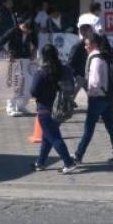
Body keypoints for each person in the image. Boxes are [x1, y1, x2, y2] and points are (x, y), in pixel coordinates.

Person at [73, 33, 113, 164]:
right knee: (110, 125)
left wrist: (90, 91)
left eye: (87, 44)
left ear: (94, 44)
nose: (85, 47)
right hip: (109, 96)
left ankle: (78, 155)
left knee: (89, 128)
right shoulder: (106, 54)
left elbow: (95, 81)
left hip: (98, 97)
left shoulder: (95, 59)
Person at [30, 44, 77, 174]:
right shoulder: (65, 69)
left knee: (54, 137)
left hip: (45, 109)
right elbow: (72, 85)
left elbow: (33, 91)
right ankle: (40, 162)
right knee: (48, 135)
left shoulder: (41, 72)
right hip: (61, 108)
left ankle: (69, 162)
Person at [0, 18, 36, 116]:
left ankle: (21, 106)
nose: (27, 31)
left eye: (29, 30)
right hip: (14, 59)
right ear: (21, 25)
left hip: (26, 59)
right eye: (25, 28)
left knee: (28, 84)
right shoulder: (12, 31)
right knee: (15, 83)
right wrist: (7, 54)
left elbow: (36, 44)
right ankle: (10, 107)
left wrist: (33, 53)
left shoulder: (32, 33)